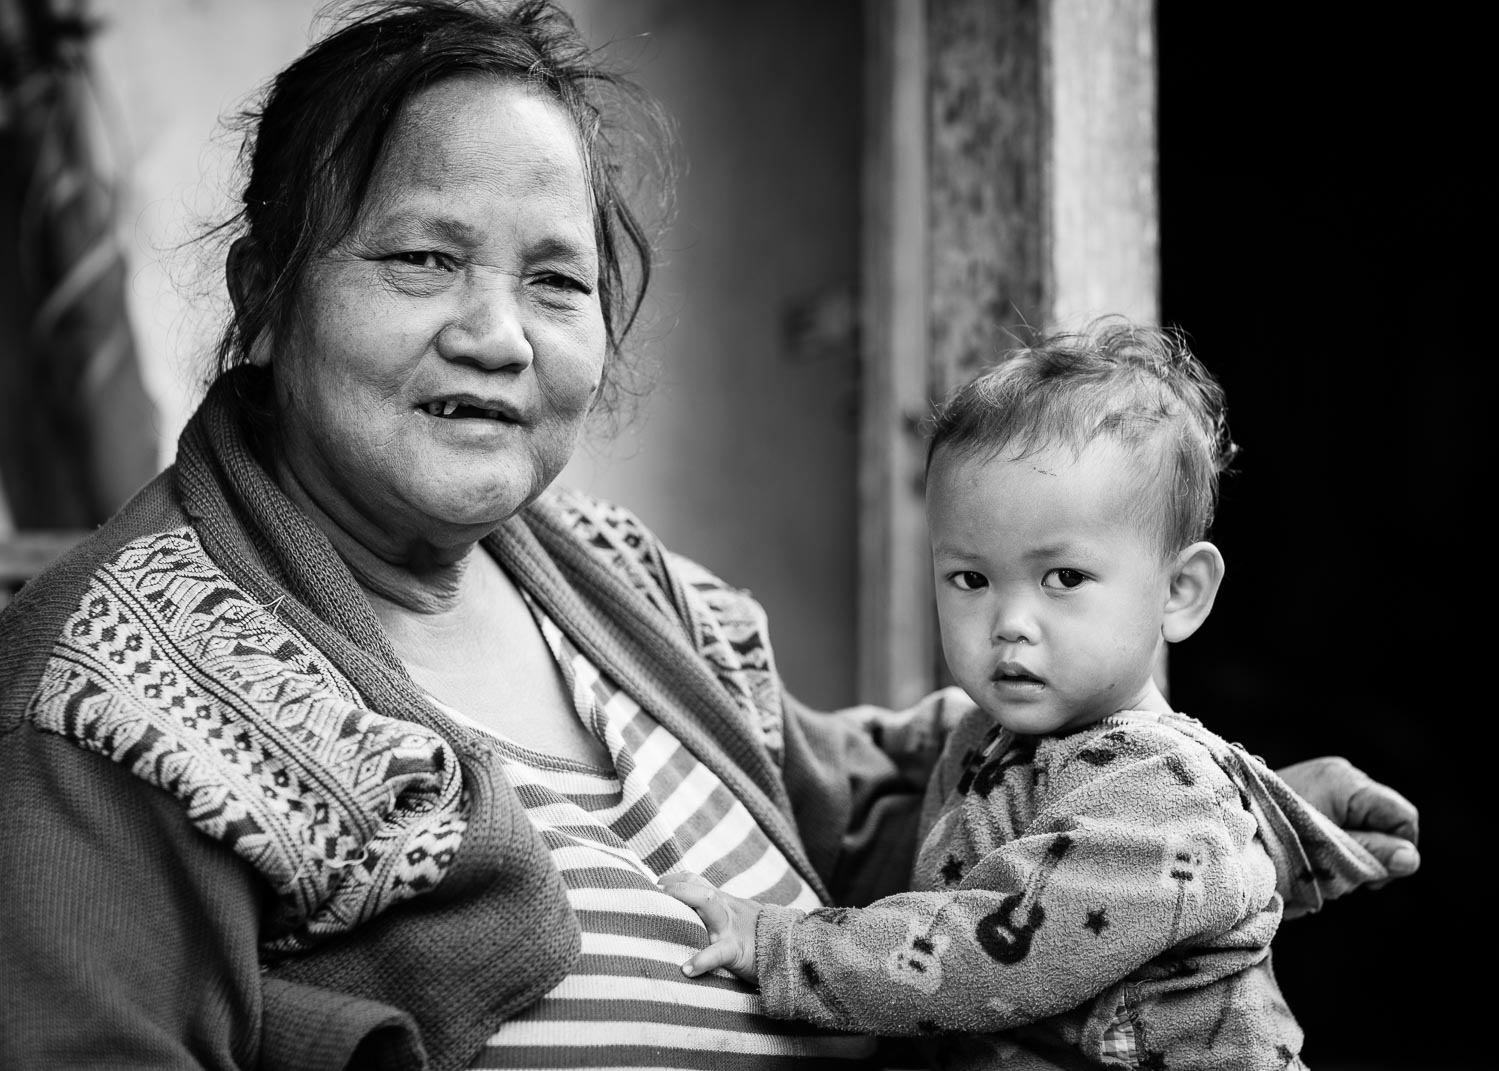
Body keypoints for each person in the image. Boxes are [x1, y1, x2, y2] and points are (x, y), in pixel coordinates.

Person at [0, 3, 1418, 1068]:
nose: (495, 334)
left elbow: (874, 795)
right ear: (269, 286)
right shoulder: (111, 693)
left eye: (554, 280)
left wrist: (1191, 799)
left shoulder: (617, 584)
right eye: (422, 256)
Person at [662, 321, 1403, 1070]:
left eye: (1064, 579)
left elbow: (985, 956)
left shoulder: (1156, 791)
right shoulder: (992, 734)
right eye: (971, 579)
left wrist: (785, 945)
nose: (1010, 624)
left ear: (1179, 592)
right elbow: (868, 752)